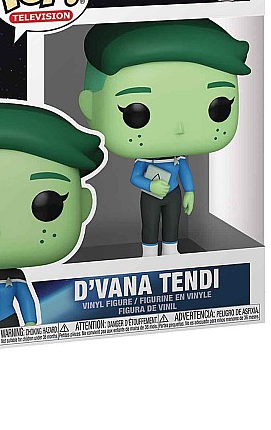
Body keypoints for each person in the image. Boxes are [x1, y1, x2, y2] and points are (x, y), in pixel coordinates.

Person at [78, 19, 250, 256]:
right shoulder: (145, 160)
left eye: (219, 107)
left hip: (174, 194)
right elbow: (135, 177)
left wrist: (190, 191)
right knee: (150, 225)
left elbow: (185, 171)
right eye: (136, 113)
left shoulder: (179, 159)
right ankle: (149, 253)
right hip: (151, 196)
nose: (179, 129)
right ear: (89, 105)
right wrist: (150, 185)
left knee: (172, 224)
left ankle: (171, 249)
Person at [0, 102, 104, 328]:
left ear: (84, 206)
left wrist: (30, 325)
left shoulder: (15, 276)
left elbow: (26, 300)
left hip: (8, 323)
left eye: (47, 205)